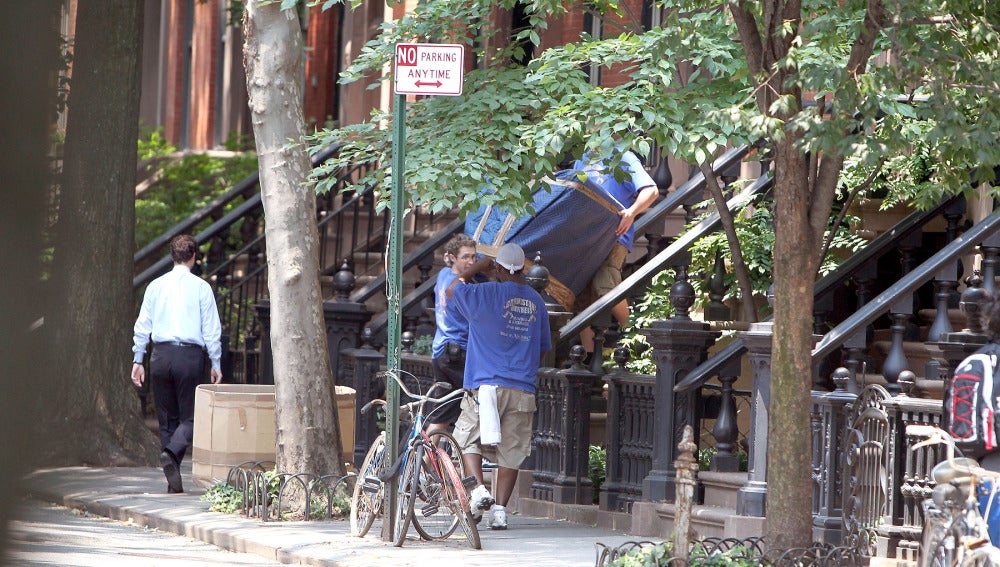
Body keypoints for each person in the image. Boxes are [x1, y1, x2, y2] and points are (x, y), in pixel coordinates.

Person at [446, 242, 551, 530]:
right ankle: (501, 511)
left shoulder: (485, 293)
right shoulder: (536, 302)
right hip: (522, 386)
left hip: (485, 383)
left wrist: (478, 266)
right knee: (512, 450)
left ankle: (479, 491)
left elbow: (452, 289)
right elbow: (542, 349)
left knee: (467, 438)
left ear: (499, 267)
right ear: (524, 268)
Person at [131, 234, 223, 494]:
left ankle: (173, 479)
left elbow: (142, 326)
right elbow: (212, 330)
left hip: (160, 355)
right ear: (194, 257)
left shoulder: (155, 286)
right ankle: (171, 453)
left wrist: (138, 359)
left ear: (173, 256)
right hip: (190, 356)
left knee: (167, 419)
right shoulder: (201, 288)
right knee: (193, 417)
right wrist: (216, 362)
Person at [573, 149, 659, 360]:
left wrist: (631, 213)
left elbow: (651, 191)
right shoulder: (582, 158)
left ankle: (635, 337)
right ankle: (589, 359)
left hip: (613, 234)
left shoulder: (624, 157)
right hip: (584, 236)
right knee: (578, 296)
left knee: (605, 285)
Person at [427, 235, 478, 434]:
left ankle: (423, 459)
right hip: (457, 352)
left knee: (444, 412)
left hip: (440, 352)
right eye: (465, 257)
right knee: (479, 400)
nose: (471, 262)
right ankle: (472, 452)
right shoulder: (460, 287)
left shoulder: (442, 275)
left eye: (474, 257)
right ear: (453, 258)